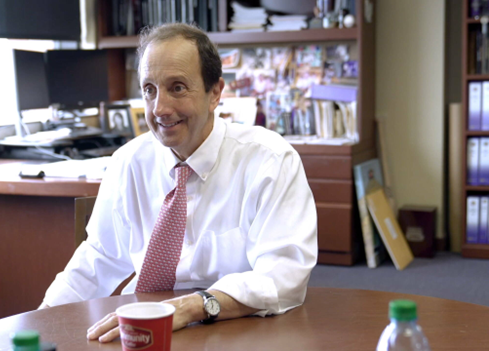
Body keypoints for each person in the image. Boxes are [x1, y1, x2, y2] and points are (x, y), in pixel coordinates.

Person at [39, 23, 318, 343]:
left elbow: (283, 276)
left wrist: (192, 307)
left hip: (237, 330)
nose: (160, 109)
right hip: (143, 330)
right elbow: (98, 258)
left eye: (178, 88)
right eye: (149, 89)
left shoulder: (269, 161)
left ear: (215, 93)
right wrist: (42, 320)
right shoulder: (128, 162)